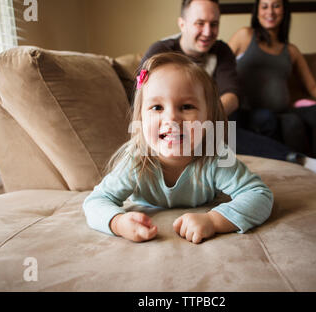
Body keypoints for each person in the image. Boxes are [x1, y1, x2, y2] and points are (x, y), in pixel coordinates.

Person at [138, 0, 316, 190]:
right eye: (199, 23)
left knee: (263, 119)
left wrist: (206, 118)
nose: (208, 32)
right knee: (222, 130)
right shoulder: (160, 51)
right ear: (182, 24)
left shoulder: (222, 50)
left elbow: (232, 96)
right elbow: (140, 99)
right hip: (183, 126)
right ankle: (304, 162)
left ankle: (279, 174)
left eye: (214, 24)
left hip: (219, 118)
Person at [83, 52, 274, 244]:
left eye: (186, 106)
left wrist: (214, 220)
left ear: (208, 117)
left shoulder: (215, 156)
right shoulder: (135, 160)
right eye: (157, 107)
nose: (171, 118)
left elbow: (259, 195)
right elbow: (96, 201)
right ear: (141, 118)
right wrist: (118, 223)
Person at [228, 0, 316, 161]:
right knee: (290, 123)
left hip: (282, 111)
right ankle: (305, 169)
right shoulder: (245, 36)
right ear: (257, 12)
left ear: (284, 11)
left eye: (276, 6)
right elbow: (221, 66)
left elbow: (312, 87)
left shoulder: (291, 50)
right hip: (253, 113)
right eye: (264, 6)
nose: (270, 12)